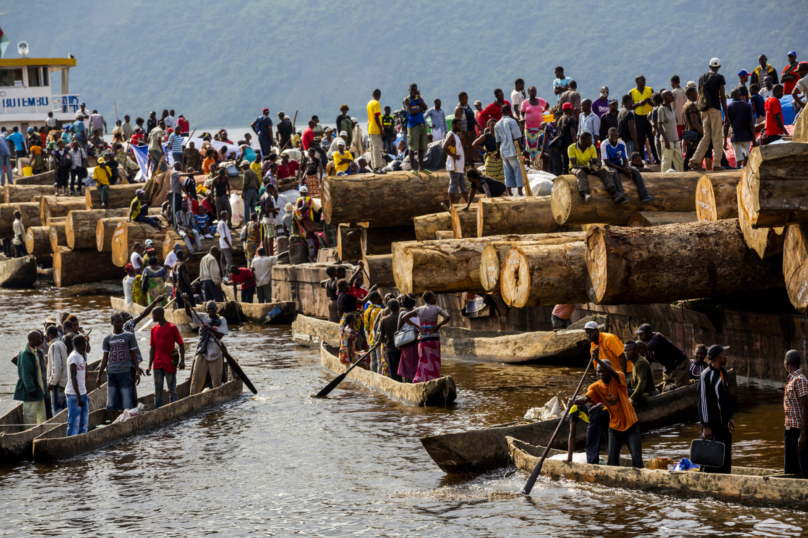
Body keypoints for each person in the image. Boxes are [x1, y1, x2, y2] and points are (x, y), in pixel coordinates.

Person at [574, 329, 643, 468]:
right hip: (614, 428)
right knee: (612, 463)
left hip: (630, 425)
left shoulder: (619, 379)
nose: (600, 374)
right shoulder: (595, 387)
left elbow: (613, 372)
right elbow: (585, 399)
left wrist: (598, 359)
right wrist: (574, 401)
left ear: (609, 371)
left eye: (603, 371)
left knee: (637, 461)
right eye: (598, 371)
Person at [697, 344, 734, 474]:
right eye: (724, 354)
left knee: (725, 459)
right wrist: (705, 426)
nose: (726, 357)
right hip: (713, 425)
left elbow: (726, 398)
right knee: (711, 461)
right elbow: (702, 402)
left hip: (724, 425)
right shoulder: (706, 375)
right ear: (718, 357)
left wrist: (730, 417)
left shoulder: (723, 373)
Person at [399, 291, 451, 383]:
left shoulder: (419, 309)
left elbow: (404, 317)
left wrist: (418, 327)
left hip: (423, 339)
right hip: (434, 338)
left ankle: (423, 381)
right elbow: (448, 316)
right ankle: (434, 380)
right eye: (434, 297)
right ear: (430, 299)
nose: (435, 298)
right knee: (434, 361)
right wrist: (437, 326)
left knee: (423, 361)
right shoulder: (437, 309)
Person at [689, 58, 730, 171]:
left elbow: (699, 96)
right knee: (717, 137)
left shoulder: (702, 77)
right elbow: (722, 96)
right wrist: (726, 114)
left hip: (704, 111)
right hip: (714, 110)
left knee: (706, 137)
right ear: (719, 67)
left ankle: (694, 161)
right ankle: (716, 164)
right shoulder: (719, 77)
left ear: (709, 66)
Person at [184, 297, 228, 395]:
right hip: (203, 354)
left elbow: (220, 335)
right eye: (209, 309)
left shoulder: (221, 320)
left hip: (216, 355)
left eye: (213, 309)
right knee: (196, 380)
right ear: (206, 310)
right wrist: (186, 302)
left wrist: (210, 328)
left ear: (216, 309)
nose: (211, 311)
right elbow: (188, 313)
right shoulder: (202, 317)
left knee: (216, 382)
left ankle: (217, 398)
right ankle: (193, 397)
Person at [96, 314, 138, 416]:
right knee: (112, 400)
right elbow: (105, 358)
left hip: (125, 372)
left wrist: (137, 372)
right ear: (112, 323)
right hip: (111, 372)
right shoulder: (107, 339)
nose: (120, 324)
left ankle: (127, 420)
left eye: (121, 322)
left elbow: (134, 355)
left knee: (127, 399)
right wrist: (99, 375)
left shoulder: (129, 336)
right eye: (117, 322)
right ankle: (115, 421)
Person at [570, 132, 626, 205]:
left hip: (587, 167)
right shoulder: (571, 148)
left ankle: (614, 192)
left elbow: (595, 161)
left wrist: (597, 165)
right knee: (580, 172)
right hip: (575, 168)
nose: (592, 141)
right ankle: (585, 194)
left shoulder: (592, 147)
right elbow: (574, 165)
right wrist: (586, 167)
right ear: (584, 141)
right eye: (590, 140)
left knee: (602, 170)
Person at [147, 307, 185, 408]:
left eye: (153, 315)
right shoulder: (153, 330)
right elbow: (152, 348)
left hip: (169, 365)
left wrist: (182, 361)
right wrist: (149, 365)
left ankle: (174, 410)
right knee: (157, 391)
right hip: (157, 365)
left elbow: (181, 344)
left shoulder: (172, 328)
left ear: (159, 315)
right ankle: (158, 411)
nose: (152, 317)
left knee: (172, 390)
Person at [601, 127, 652, 202]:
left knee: (635, 171)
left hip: (618, 163)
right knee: (614, 172)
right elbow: (607, 162)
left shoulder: (622, 143)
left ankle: (644, 195)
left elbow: (625, 160)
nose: (614, 137)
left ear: (618, 135)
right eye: (612, 135)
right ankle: (621, 195)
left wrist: (626, 169)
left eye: (616, 135)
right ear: (608, 136)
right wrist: (622, 170)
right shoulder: (604, 144)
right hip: (607, 165)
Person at [635, 323, 690, 390]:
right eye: (638, 335)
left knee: (679, 390)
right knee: (665, 390)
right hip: (668, 369)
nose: (639, 337)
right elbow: (647, 365)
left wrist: (634, 349)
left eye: (641, 334)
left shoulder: (656, 337)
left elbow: (644, 348)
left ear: (648, 333)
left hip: (680, 365)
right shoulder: (646, 348)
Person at [14, 331, 50, 427]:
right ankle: (29, 437)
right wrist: (31, 389)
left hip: (40, 390)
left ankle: (40, 434)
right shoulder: (25, 354)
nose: (42, 340)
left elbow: (42, 371)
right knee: (30, 418)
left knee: (41, 417)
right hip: (31, 393)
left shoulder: (37, 352)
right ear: (32, 339)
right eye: (39, 338)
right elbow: (26, 374)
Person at [783, 350, 808, 478]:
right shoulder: (791, 379)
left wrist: (803, 434)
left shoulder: (800, 380)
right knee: (790, 469)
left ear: (786, 363)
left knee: (804, 468)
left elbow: (806, 407)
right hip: (789, 429)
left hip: (798, 431)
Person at [494, 104, 524, 196]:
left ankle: (509, 192)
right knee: (518, 170)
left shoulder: (497, 124)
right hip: (512, 150)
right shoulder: (512, 122)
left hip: (503, 150)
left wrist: (498, 152)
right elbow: (517, 138)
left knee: (507, 171)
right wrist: (523, 150)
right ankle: (519, 192)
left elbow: (497, 140)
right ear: (509, 111)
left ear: (501, 112)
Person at [630, 76, 659, 164]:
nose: (644, 81)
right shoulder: (632, 92)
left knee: (652, 138)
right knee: (641, 140)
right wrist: (639, 104)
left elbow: (655, 104)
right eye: (642, 80)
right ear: (637, 81)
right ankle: (642, 160)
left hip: (649, 117)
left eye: (645, 80)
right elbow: (630, 106)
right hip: (638, 118)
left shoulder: (650, 90)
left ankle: (657, 159)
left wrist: (649, 102)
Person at [725, 88, 756, 168]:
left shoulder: (728, 107)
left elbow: (726, 124)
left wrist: (725, 141)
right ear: (740, 95)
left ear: (731, 96)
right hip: (746, 135)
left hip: (735, 135)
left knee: (738, 160)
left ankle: (737, 175)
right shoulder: (747, 105)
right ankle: (745, 172)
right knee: (746, 155)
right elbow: (751, 123)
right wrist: (754, 139)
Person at [65, 335, 89, 436]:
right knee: (74, 423)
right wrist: (78, 396)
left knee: (84, 422)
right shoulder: (74, 356)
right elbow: (73, 377)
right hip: (74, 395)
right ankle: (70, 442)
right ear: (83, 344)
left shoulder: (81, 355)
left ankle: (82, 442)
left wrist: (84, 393)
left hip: (82, 393)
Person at [404, 83, 430, 175]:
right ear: (409, 90)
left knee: (421, 147)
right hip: (412, 126)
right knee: (412, 147)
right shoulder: (407, 100)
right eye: (412, 90)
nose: (414, 91)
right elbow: (411, 112)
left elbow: (426, 107)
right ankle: (412, 168)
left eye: (415, 90)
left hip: (422, 125)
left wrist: (419, 97)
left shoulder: (419, 99)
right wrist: (420, 109)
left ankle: (421, 168)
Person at [657, 90, 684, 172]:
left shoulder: (671, 107)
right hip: (667, 140)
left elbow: (675, 120)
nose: (672, 96)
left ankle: (681, 178)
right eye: (670, 95)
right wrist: (666, 140)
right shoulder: (661, 109)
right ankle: (664, 180)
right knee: (666, 162)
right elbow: (660, 125)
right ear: (664, 98)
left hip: (675, 139)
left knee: (679, 161)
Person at [443, 118, 468, 205]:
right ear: (453, 125)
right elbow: (444, 147)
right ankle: (451, 205)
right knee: (453, 185)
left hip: (459, 165)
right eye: (459, 125)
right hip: (454, 165)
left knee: (463, 185)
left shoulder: (456, 135)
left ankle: (468, 203)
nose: (460, 127)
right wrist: (454, 156)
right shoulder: (451, 135)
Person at [624, 340, 656, 406]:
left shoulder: (640, 362)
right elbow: (632, 380)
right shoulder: (634, 362)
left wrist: (632, 399)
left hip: (645, 394)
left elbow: (642, 383)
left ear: (636, 351)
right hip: (636, 391)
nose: (626, 353)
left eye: (629, 351)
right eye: (625, 351)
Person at [378, 298, 403, 381]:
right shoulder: (403, 316)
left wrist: (384, 338)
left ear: (388, 308)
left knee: (394, 372)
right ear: (398, 306)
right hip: (403, 347)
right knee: (406, 370)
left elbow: (381, 338)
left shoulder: (384, 320)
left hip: (391, 348)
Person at [46, 325, 69, 415]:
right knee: (64, 409)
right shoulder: (61, 343)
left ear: (48, 335)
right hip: (64, 381)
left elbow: (56, 366)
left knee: (57, 410)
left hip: (58, 384)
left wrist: (52, 383)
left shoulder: (54, 346)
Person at [473, 118, 504, 183]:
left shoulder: (501, 135)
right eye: (491, 125)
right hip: (491, 161)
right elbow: (474, 144)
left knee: (503, 179)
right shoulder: (485, 136)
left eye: (495, 125)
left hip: (501, 161)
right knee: (491, 180)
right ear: (488, 127)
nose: (493, 127)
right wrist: (485, 151)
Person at [521, 86, 548, 161]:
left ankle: (538, 161)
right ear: (528, 92)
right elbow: (521, 113)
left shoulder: (540, 100)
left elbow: (547, 105)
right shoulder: (525, 103)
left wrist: (542, 112)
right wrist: (522, 119)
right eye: (531, 91)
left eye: (535, 91)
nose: (533, 92)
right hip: (529, 128)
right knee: (530, 146)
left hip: (540, 128)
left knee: (539, 145)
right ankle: (531, 161)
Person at [364, 291, 385, 374]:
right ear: (376, 299)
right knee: (380, 360)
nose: (381, 298)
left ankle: (373, 375)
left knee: (373, 361)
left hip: (371, 337)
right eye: (380, 297)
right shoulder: (379, 311)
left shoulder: (367, 311)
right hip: (378, 338)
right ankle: (379, 377)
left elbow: (366, 327)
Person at [366, 89, 386, 173]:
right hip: (376, 129)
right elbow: (376, 117)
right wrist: (381, 129)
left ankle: (374, 167)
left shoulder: (369, 103)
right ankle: (378, 167)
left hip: (370, 128)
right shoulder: (376, 103)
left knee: (373, 148)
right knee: (377, 148)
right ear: (379, 95)